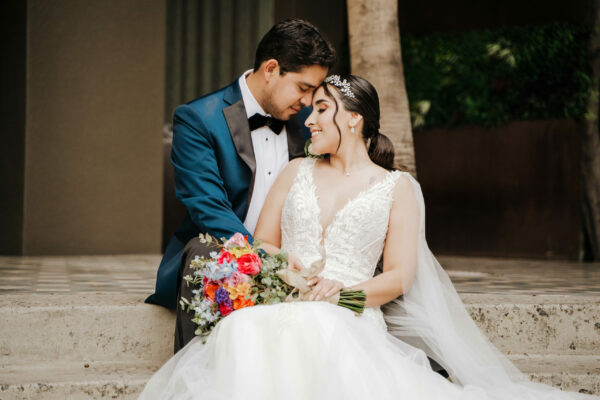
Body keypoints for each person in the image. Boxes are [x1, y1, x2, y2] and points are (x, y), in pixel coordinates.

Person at [139, 74, 598, 399]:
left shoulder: (398, 188)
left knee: (322, 330)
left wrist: (343, 296)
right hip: (285, 300)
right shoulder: (295, 172)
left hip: (351, 312)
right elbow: (262, 244)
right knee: (243, 329)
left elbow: (398, 276)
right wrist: (284, 270)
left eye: (322, 110)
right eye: (311, 110)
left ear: (354, 119)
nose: (309, 120)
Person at [144, 18, 336, 352]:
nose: (308, 102)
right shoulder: (198, 119)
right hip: (221, 253)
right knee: (204, 250)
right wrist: (265, 255)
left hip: (297, 258)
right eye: (303, 88)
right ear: (271, 69)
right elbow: (207, 209)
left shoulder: (307, 125)